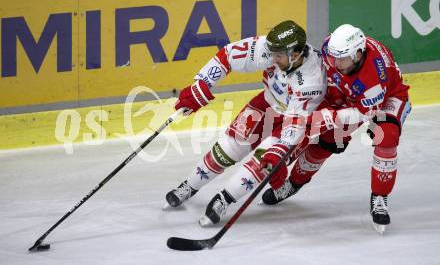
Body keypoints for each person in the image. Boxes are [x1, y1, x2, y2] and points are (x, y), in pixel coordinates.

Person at [164, 20, 327, 226]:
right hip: (267, 102)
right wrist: (202, 83)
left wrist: (281, 150)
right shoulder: (274, 50)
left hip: (296, 122)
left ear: (295, 54)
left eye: (278, 55)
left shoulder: (312, 80)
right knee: (229, 146)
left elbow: (295, 123)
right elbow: (228, 56)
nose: (272, 58)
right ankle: (189, 185)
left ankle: (224, 199)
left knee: (263, 162)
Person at [260, 24, 411, 234]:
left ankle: (380, 197)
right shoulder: (332, 47)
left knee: (386, 137)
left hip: (384, 99)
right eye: (333, 57)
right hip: (346, 94)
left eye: (342, 59)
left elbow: (364, 112)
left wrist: (329, 116)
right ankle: (294, 183)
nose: (335, 63)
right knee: (328, 140)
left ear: (358, 54)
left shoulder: (374, 78)